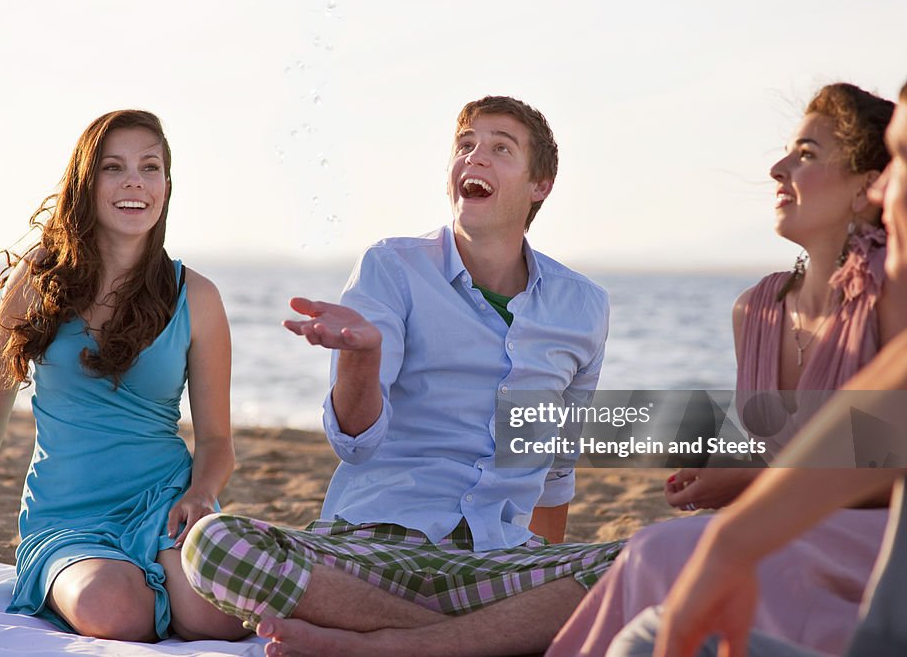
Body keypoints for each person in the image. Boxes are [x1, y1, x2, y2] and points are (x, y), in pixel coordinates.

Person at [181, 96, 624, 657]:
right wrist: (362, 356)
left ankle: (392, 644)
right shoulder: (392, 268)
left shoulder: (582, 306)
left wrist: (535, 574)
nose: (475, 158)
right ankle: (458, 644)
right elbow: (354, 442)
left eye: (499, 149)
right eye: (465, 146)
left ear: (541, 185)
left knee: (657, 558)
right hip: (374, 554)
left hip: (496, 559)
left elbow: (556, 470)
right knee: (214, 546)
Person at [548, 83, 902, 656]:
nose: (777, 168)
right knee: (656, 549)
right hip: (792, 528)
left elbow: (889, 469)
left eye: (807, 154)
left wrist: (755, 484)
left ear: (868, 185)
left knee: (659, 553)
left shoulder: (888, 288)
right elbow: (775, 451)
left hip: (877, 542)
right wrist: (727, 470)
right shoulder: (756, 310)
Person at [0, 110, 248, 643]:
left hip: (167, 502)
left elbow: (217, 440)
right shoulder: (38, 282)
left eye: (150, 168)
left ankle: (171, 583)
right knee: (115, 611)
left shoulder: (199, 297)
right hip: (68, 515)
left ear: (166, 185)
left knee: (219, 619)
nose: (134, 183)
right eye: (112, 167)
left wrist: (201, 493)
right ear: (86, 182)